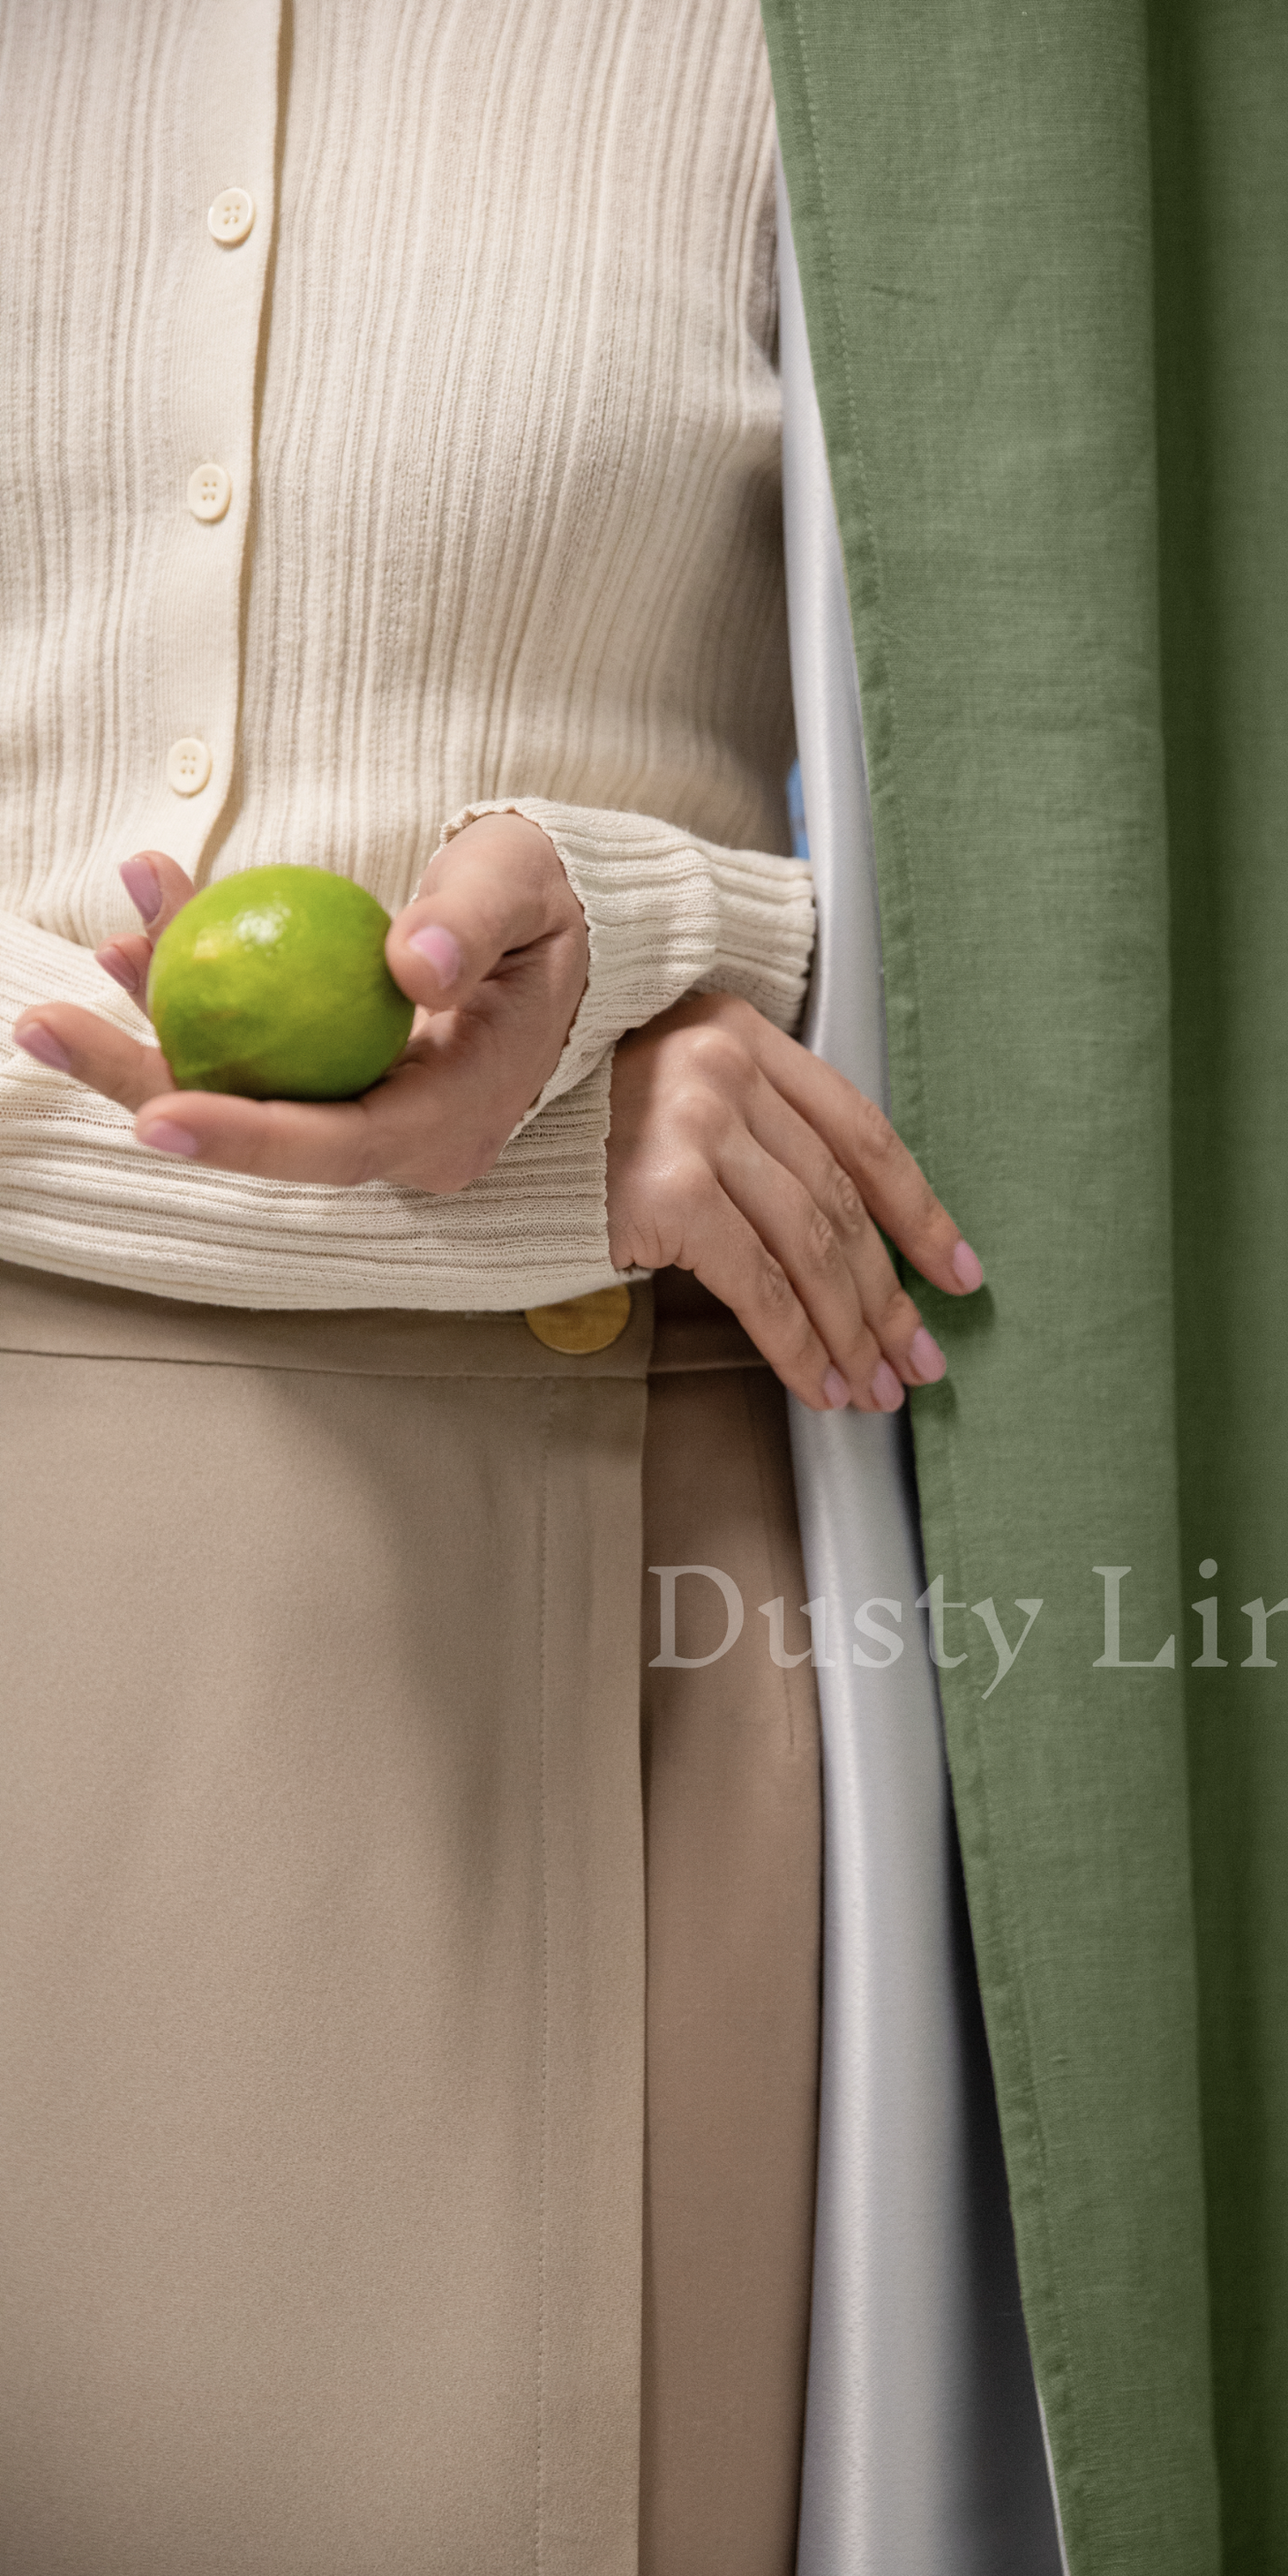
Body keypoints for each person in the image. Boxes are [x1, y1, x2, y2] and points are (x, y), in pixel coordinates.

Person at [0, 4, 981, 2570]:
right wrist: (562, 1124)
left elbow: (1078, 804)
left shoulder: (850, 63)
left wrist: (677, 971)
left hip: (555, 1558)